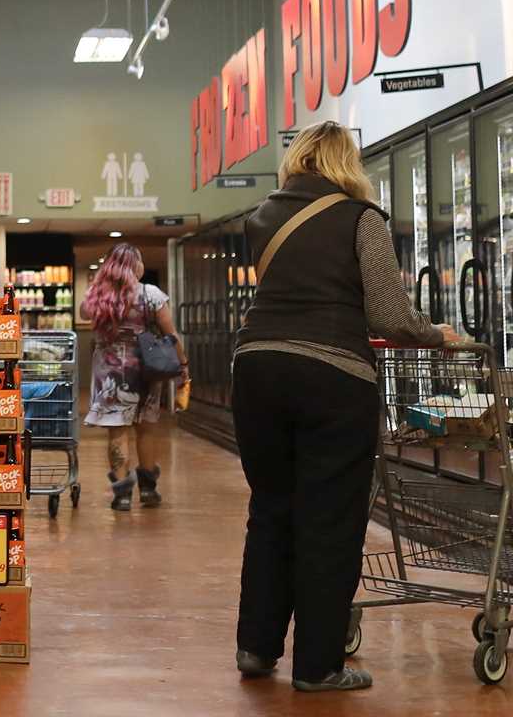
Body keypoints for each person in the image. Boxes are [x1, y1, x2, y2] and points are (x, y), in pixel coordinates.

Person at [232, 121, 454, 693]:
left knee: (272, 508)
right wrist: (439, 335)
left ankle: (256, 647)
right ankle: (318, 666)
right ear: (345, 162)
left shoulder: (260, 218)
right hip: (331, 375)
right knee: (328, 520)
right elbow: (387, 317)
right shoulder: (361, 219)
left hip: (255, 368)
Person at [81, 243, 187, 510]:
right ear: (135, 265)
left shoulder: (97, 296)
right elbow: (171, 334)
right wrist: (183, 364)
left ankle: (123, 494)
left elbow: (85, 313)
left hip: (110, 372)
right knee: (146, 430)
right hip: (146, 369)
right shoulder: (150, 294)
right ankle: (149, 490)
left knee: (117, 433)